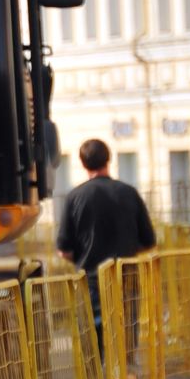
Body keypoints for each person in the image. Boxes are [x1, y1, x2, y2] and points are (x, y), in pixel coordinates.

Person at [56, 137, 156, 366]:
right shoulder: (129, 193)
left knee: (92, 357)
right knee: (127, 355)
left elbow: (64, 250)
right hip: (126, 282)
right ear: (108, 160)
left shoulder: (74, 198)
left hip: (90, 286)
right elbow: (149, 241)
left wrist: (83, 256)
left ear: (82, 164)